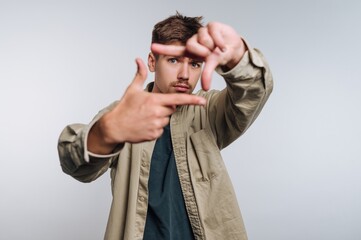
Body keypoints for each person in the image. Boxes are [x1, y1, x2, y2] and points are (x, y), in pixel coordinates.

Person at [58, 12, 273, 240]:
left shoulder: (208, 109)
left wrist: (238, 57)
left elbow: (252, 93)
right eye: (173, 61)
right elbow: (75, 165)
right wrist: (105, 133)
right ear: (152, 61)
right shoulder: (125, 114)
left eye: (194, 64)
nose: (184, 75)